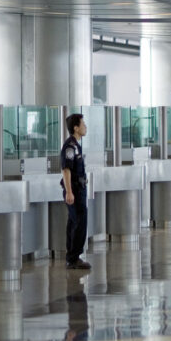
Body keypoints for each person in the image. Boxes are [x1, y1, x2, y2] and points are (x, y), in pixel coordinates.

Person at [61, 113, 90, 270]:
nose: (85, 127)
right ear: (76, 128)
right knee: (78, 223)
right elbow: (66, 170)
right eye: (83, 124)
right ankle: (73, 258)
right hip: (75, 190)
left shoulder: (76, 146)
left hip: (79, 189)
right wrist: (69, 192)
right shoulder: (70, 147)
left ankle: (73, 256)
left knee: (75, 222)